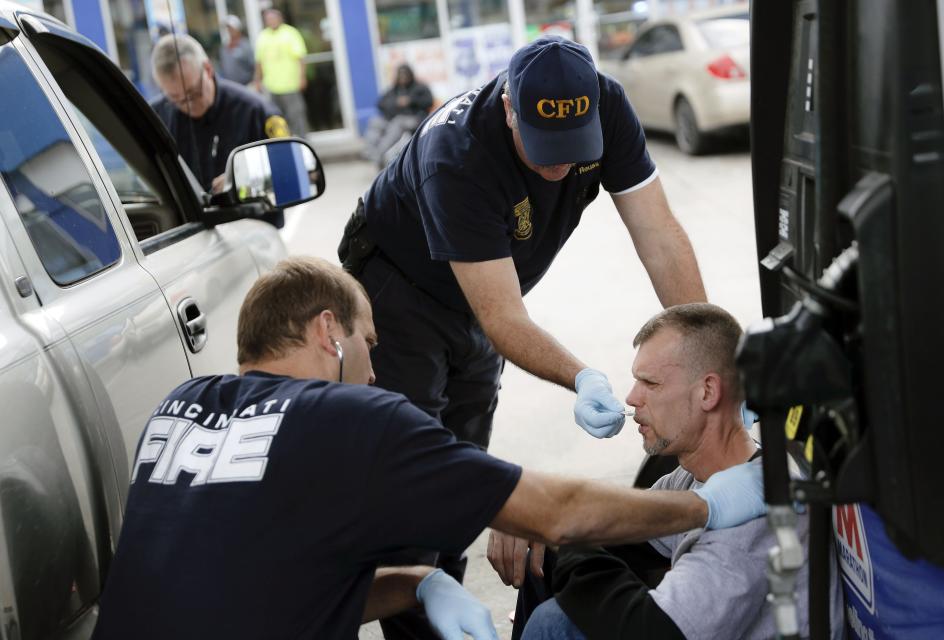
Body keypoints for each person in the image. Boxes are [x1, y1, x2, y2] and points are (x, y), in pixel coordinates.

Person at [90, 257, 767, 640]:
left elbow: (267, 598)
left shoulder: (177, 411)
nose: (377, 371)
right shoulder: (348, 416)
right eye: (370, 344)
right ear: (330, 331)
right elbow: (554, 515)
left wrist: (422, 583)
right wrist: (705, 511)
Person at [338, 34, 707, 638]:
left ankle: (442, 595)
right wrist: (580, 375)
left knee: (460, 467)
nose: (560, 165)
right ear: (509, 107)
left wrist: (711, 355)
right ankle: (418, 617)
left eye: (573, 149)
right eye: (544, 150)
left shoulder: (606, 105)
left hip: (486, 293)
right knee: (411, 479)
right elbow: (502, 319)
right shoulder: (456, 155)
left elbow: (659, 231)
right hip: (400, 292)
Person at [497, 303, 844, 640]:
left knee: (555, 624)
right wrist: (542, 517)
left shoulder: (753, 522)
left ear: (708, 391)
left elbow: (650, 630)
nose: (632, 398)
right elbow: (616, 525)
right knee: (540, 560)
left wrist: (564, 529)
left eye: (651, 383)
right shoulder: (693, 477)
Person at [150, 34, 290, 192]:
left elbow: (290, 168)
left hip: (252, 216)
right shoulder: (154, 119)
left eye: (193, 93)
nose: (187, 105)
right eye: (174, 98)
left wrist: (246, 178)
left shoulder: (255, 110)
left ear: (208, 69)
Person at [363, 63, 434, 167]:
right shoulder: (394, 89)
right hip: (393, 118)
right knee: (375, 121)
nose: (403, 78)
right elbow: (380, 103)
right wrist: (396, 103)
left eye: (405, 75)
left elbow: (429, 101)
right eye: (400, 75)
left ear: (410, 75)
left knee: (398, 122)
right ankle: (370, 151)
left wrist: (410, 101)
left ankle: (379, 152)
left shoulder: (419, 87)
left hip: (414, 119)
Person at [255, 9, 309, 138]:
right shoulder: (263, 36)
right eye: (268, 19)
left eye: (273, 18)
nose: (271, 21)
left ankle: (302, 143)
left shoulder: (290, 33)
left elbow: (300, 58)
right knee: (276, 120)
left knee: (296, 116)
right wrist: (258, 80)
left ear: (280, 18)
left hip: (290, 84)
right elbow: (259, 62)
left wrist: (302, 77)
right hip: (272, 86)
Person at [220, 14, 255, 86]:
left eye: (231, 28)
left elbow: (253, 66)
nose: (229, 31)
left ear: (238, 29)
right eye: (227, 28)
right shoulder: (224, 48)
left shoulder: (245, 46)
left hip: (245, 86)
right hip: (230, 86)